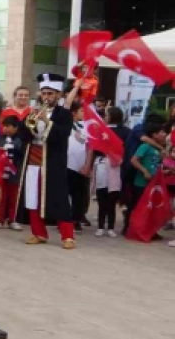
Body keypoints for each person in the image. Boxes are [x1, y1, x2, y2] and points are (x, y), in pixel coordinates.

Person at [15, 73, 81, 249]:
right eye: (44, 93)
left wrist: (47, 122)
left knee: (58, 197)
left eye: (50, 94)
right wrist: (31, 123)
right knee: (32, 197)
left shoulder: (64, 114)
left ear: (58, 95)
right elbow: (23, 134)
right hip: (33, 159)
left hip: (52, 162)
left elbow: (63, 135)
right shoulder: (33, 111)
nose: (46, 97)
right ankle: (38, 233)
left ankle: (67, 236)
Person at [89, 106, 128, 238]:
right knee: (103, 197)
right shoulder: (100, 130)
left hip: (115, 165)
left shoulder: (123, 131)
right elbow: (94, 148)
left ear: (111, 116)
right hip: (101, 164)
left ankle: (110, 227)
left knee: (111, 197)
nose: (104, 117)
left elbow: (124, 149)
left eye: (106, 114)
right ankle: (101, 226)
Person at [127, 121, 168, 241]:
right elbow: (134, 160)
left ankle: (150, 231)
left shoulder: (159, 149)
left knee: (152, 208)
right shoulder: (145, 146)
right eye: (162, 132)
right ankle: (135, 230)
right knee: (140, 208)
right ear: (154, 135)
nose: (165, 134)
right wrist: (144, 171)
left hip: (154, 185)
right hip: (141, 184)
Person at [0, 115, 24, 231]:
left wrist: (11, 150)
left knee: (13, 198)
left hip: (14, 173)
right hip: (2, 172)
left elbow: (20, 153)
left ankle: (12, 219)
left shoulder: (19, 140)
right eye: (4, 126)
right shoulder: (0, 139)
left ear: (16, 128)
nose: (5, 129)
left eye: (8, 126)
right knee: (1, 197)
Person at [66, 101, 90, 230]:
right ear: (73, 112)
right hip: (67, 164)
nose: (84, 114)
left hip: (81, 166)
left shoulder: (86, 126)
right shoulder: (66, 125)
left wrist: (87, 165)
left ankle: (76, 219)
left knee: (79, 195)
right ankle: (64, 219)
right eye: (81, 111)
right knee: (66, 193)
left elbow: (90, 146)